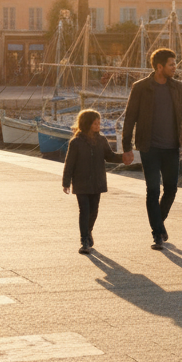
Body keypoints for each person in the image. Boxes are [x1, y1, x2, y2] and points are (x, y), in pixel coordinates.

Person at [122, 48, 182, 251]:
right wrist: (126, 148)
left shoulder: (177, 88)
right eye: (171, 64)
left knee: (171, 189)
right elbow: (130, 117)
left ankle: (158, 223)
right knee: (152, 190)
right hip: (149, 148)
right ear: (159, 67)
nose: (175, 67)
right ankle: (157, 233)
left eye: (175, 64)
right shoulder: (140, 87)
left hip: (171, 148)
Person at [61, 109, 122, 255]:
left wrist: (124, 158)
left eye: (99, 123)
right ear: (88, 124)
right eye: (95, 123)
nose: (98, 126)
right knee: (84, 211)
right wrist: (66, 182)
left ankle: (88, 232)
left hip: (97, 181)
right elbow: (69, 163)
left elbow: (110, 156)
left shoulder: (101, 140)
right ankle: (84, 241)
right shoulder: (76, 142)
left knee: (94, 211)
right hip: (81, 182)